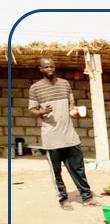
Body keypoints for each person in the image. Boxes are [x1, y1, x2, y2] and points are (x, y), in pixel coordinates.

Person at [28, 57, 96, 211]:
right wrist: (43, 111)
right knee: (56, 171)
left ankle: (87, 197)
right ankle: (63, 199)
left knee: (78, 168)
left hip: (70, 135)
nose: (50, 69)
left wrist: (75, 111)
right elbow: (32, 110)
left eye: (52, 66)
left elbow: (71, 105)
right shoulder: (36, 88)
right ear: (40, 69)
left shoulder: (65, 84)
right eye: (46, 67)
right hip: (51, 137)